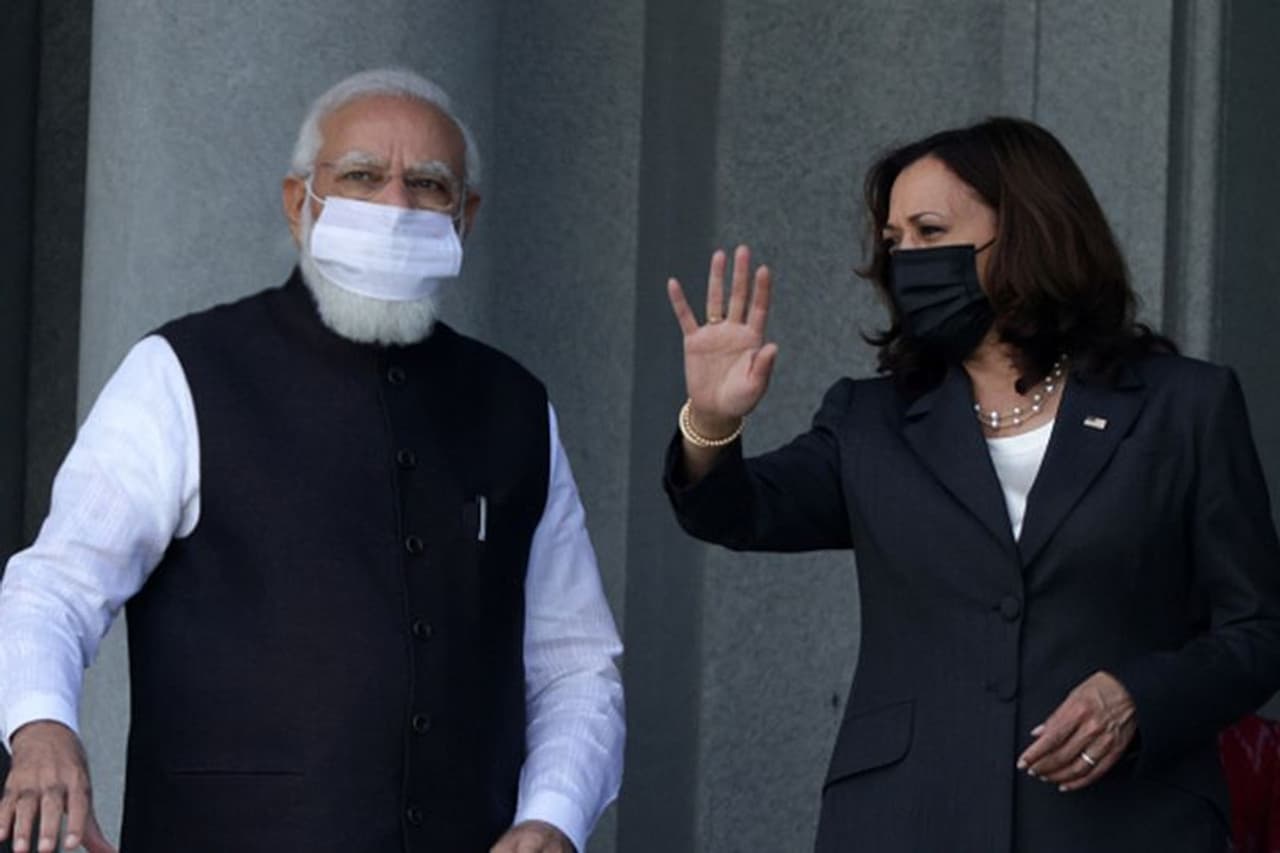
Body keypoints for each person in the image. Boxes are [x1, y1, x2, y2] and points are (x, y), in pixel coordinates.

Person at [0, 68, 624, 853]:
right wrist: (41, 727)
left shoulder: (514, 406)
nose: (395, 205)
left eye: (428, 184)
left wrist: (552, 816)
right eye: (361, 175)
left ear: (465, 217)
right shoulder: (183, 372)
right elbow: (54, 585)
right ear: (300, 203)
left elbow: (576, 667)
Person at [662, 116, 1280, 851]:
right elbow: (734, 510)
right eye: (895, 242)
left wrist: (1139, 697)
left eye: (930, 231)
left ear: (1029, 231)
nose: (907, 260)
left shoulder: (1184, 406)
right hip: (907, 819)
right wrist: (711, 419)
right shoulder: (871, 420)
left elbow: (1259, 631)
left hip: (1126, 822)